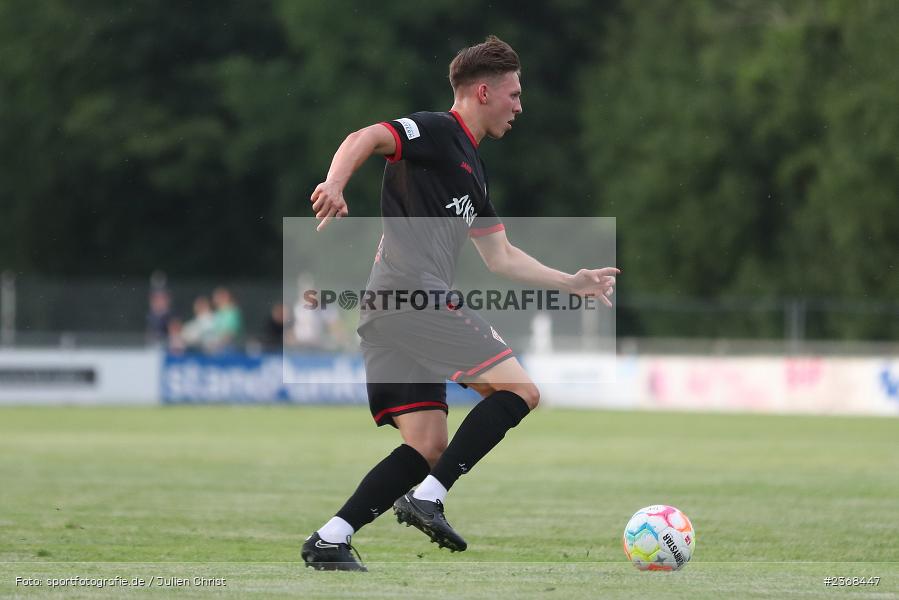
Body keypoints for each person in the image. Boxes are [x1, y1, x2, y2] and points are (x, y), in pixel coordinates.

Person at [301, 35, 618, 571]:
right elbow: (366, 136)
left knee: (427, 446)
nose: (520, 105)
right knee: (520, 390)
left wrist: (572, 281)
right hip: (411, 295)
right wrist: (334, 182)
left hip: (388, 307)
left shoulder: (474, 168)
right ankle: (430, 497)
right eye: (514, 94)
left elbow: (501, 257)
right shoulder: (438, 130)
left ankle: (330, 538)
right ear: (484, 91)